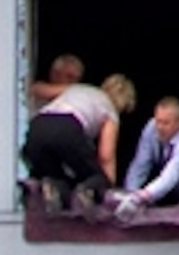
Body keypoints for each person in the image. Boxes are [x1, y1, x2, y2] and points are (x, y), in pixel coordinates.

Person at [20, 54, 121, 209]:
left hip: (36, 129)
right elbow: (106, 155)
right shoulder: (110, 108)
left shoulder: (76, 91)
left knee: (56, 177)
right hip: (67, 126)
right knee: (94, 177)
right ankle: (87, 192)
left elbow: (35, 90)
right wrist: (108, 186)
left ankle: (53, 189)